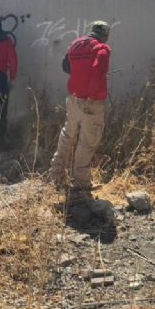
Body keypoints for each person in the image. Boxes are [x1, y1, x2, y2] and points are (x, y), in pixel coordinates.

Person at [48, 21, 111, 208]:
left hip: (73, 98)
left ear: (91, 31)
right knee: (88, 141)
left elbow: (65, 67)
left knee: (68, 134)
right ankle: (81, 184)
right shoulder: (102, 49)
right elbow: (97, 70)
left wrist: (80, 75)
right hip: (90, 102)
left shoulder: (75, 44)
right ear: (105, 34)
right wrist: (92, 95)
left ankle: (56, 173)